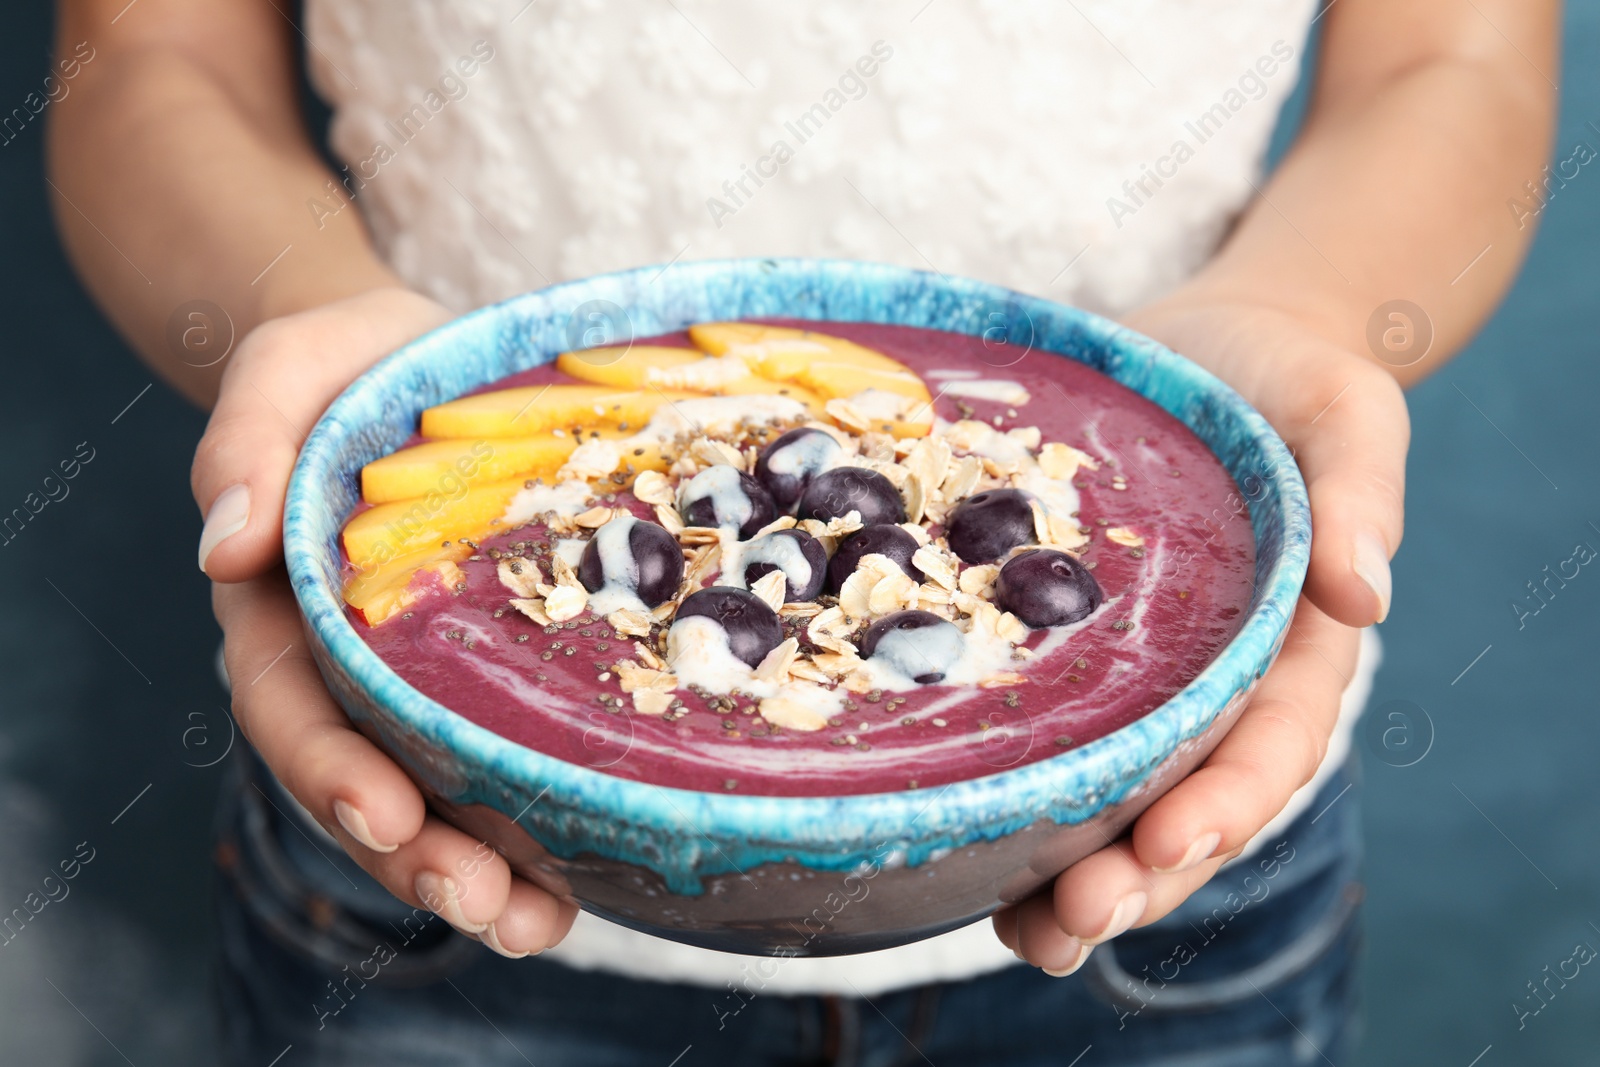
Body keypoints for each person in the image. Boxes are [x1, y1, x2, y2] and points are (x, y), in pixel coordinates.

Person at [49, 0, 1557, 1063]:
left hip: (1178, 854)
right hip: (428, 834)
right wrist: (316, 343)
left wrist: (1296, 314)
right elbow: (153, 52)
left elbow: (1447, 56)